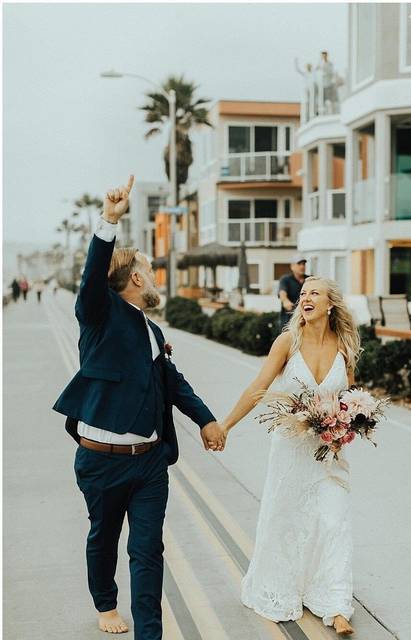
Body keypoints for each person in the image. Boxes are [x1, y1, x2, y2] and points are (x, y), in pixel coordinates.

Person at [52, 175, 225, 639]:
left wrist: (206, 419)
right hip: (101, 461)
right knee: (104, 539)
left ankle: (150, 634)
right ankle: (105, 604)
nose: (154, 278)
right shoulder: (99, 315)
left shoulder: (148, 327)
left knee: (148, 550)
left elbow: (173, 382)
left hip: (150, 461)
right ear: (134, 277)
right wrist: (109, 220)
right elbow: (92, 280)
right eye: (149, 270)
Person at [221, 276, 360, 636]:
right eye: (303, 294)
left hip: (329, 451)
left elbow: (350, 396)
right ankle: (283, 589)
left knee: (333, 519)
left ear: (331, 304)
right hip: (290, 450)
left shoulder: (345, 345)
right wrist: (225, 425)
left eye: (314, 292)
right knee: (287, 520)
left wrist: (350, 422)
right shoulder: (287, 342)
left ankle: (335, 602)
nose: (305, 298)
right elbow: (258, 388)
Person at [278, 256, 308, 329]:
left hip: (306, 318)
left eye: (303, 264)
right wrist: (285, 301)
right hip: (289, 320)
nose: (302, 266)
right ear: (292, 266)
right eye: (299, 264)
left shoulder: (309, 279)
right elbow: (282, 293)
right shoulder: (285, 280)